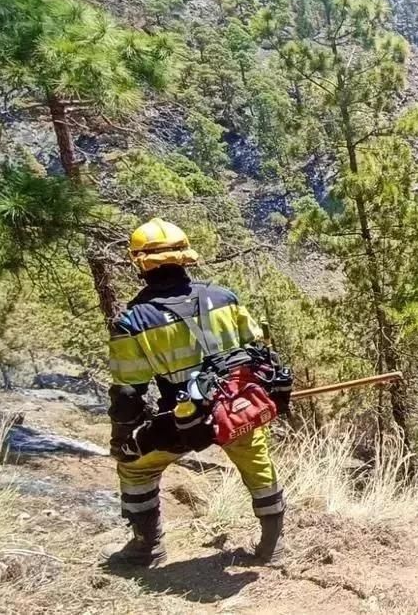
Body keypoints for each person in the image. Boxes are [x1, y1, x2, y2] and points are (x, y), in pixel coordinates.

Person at [103, 218, 285, 567]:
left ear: (140, 262)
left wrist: (122, 438)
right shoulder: (224, 298)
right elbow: (257, 351)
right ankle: (272, 546)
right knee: (257, 463)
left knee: (136, 469)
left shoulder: (134, 321)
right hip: (236, 410)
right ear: (186, 255)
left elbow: (128, 392)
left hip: (182, 420)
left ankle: (146, 547)